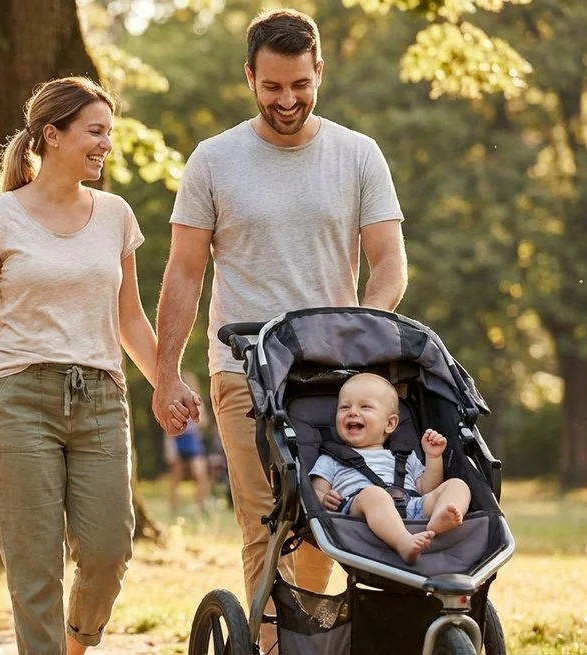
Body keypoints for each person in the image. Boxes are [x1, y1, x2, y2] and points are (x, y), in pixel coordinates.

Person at [151, 8, 407, 649]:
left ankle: (311, 643)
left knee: (324, 526)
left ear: (319, 70)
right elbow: (183, 273)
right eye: (272, 87)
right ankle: (271, 647)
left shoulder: (357, 155)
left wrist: (366, 338)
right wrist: (164, 371)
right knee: (267, 527)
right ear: (249, 78)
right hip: (243, 371)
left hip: (334, 376)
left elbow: (390, 263)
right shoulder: (214, 160)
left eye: (299, 84)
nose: (287, 100)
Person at [0, 76, 189, 655]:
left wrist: (166, 383)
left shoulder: (115, 215)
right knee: (35, 564)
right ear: (52, 135)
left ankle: (77, 642)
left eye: (111, 132)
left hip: (101, 397)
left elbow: (129, 318)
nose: (107, 143)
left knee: (110, 548)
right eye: (95, 131)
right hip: (18, 397)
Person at [309, 374, 470, 564]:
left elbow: (426, 489)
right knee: (374, 494)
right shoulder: (331, 458)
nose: (352, 412)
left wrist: (433, 457)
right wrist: (324, 499)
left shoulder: (404, 455)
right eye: (344, 407)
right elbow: (315, 491)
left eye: (365, 407)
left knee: (458, 485)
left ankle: (440, 518)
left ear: (390, 423)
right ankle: (403, 542)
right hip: (360, 509)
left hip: (411, 506)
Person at [165, 372, 212, 516]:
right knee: (176, 478)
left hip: (193, 442)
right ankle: (174, 508)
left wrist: (196, 413)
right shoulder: (175, 401)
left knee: (200, 475)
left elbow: (204, 422)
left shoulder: (197, 402)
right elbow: (167, 429)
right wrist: (169, 450)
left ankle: (202, 506)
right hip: (178, 440)